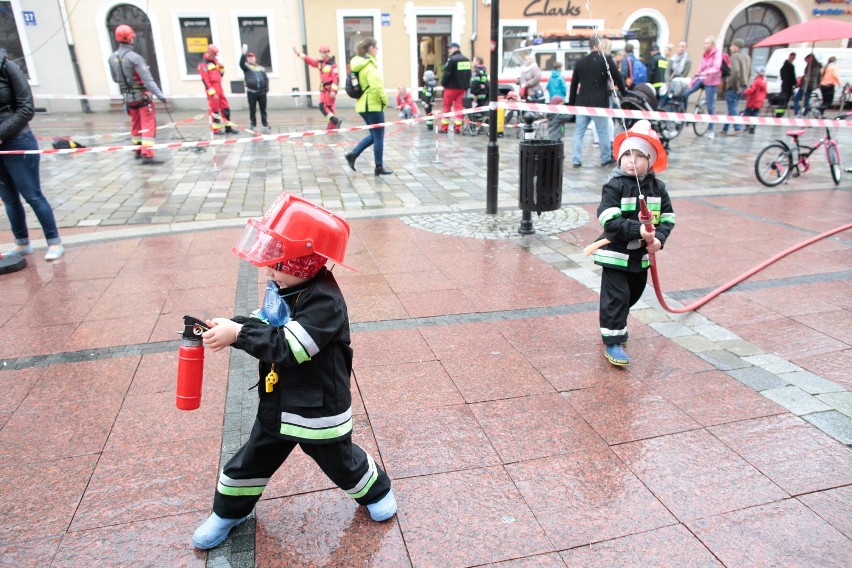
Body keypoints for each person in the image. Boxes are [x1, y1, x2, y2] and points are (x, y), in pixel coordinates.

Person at [191, 192, 396, 550]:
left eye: (278, 264)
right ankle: (227, 512)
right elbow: (266, 321)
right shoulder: (286, 288)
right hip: (278, 403)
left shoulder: (325, 302)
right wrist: (234, 325)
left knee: (340, 461)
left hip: (318, 407)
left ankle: (377, 491)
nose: (269, 271)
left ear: (304, 264)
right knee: (252, 458)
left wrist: (239, 334)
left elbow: (288, 346)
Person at [592, 120, 674, 366]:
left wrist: (658, 239)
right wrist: (637, 228)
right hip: (615, 253)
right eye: (627, 154)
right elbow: (608, 219)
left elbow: (668, 218)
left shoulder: (658, 188)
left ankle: (615, 323)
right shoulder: (614, 185)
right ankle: (613, 341)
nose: (632, 160)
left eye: (640, 156)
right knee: (617, 296)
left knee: (634, 293)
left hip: (641, 257)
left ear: (649, 161)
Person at [0, 49, 64, 261]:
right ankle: (21, 243)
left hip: (18, 140)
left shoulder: (7, 66)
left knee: (32, 195)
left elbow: (26, 108)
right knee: (9, 199)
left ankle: (54, 242)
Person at [108, 24, 166, 165]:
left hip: (128, 98)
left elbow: (115, 79)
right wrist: (160, 96)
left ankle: (138, 151)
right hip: (142, 97)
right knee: (147, 124)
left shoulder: (112, 58)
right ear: (130, 38)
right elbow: (148, 81)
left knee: (135, 124)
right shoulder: (135, 58)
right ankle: (147, 154)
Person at [568, 36, 626, 168]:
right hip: (599, 103)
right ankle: (605, 158)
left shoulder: (580, 62)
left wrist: (571, 104)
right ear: (600, 46)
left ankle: (576, 160)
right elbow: (617, 77)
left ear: (590, 46)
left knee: (578, 133)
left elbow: (573, 85)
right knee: (603, 132)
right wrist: (624, 91)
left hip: (582, 103)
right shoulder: (605, 60)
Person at [343, 37, 392, 175]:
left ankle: (353, 154)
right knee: (379, 136)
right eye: (376, 48)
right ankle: (379, 167)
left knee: (374, 135)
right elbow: (376, 87)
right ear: (371, 48)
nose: (377, 50)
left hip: (362, 106)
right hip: (373, 105)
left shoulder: (357, 63)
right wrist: (384, 101)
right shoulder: (370, 65)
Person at [293, 45, 342, 130]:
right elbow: (310, 61)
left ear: (327, 53)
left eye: (324, 52)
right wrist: (299, 54)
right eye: (321, 52)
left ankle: (334, 123)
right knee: (323, 106)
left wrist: (334, 90)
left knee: (328, 107)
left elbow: (336, 78)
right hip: (324, 89)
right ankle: (334, 122)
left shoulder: (332, 64)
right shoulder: (321, 63)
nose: (322, 54)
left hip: (329, 89)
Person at [683, 35, 723, 139]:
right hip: (702, 79)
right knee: (686, 93)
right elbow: (700, 67)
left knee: (710, 106)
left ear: (712, 45)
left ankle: (711, 129)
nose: (705, 45)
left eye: (707, 43)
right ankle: (684, 116)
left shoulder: (717, 54)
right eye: (704, 43)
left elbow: (716, 67)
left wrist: (705, 72)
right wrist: (696, 77)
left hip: (711, 81)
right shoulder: (705, 54)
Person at [198, 44, 232, 134]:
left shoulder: (215, 61)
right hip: (213, 89)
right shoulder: (203, 64)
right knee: (215, 110)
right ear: (209, 52)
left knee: (225, 107)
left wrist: (222, 67)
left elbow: (221, 74)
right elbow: (205, 81)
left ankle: (228, 127)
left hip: (219, 87)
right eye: (213, 54)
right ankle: (216, 129)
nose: (214, 56)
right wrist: (213, 94)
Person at [440, 42, 471, 134]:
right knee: (459, 107)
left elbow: (447, 73)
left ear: (455, 48)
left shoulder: (451, 59)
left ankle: (444, 128)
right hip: (461, 88)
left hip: (451, 87)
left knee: (447, 106)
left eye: (450, 48)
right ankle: (458, 127)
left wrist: (443, 83)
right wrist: (465, 86)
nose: (449, 50)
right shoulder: (466, 59)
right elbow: (468, 74)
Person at [722, 38, 750, 135]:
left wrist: (735, 86)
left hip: (735, 86)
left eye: (732, 46)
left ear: (736, 47)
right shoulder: (746, 57)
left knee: (732, 106)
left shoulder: (734, 57)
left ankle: (737, 128)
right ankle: (725, 128)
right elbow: (747, 72)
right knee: (732, 107)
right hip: (742, 85)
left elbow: (736, 72)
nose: (730, 48)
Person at [239, 45, 269, 132]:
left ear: (255, 58)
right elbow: (241, 63)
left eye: (252, 57)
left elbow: (266, 78)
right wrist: (243, 54)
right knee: (252, 109)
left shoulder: (261, 68)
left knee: (263, 109)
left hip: (262, 92)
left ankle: (265, 123)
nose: (251, 59)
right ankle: (253, 124)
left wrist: (266, 88)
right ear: (247, 59)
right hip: (251, 92)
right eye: (249, 57)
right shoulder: (246, 67)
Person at [742, 66, 767, 134]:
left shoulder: (756, 81)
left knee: (746, 114)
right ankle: (753, 127)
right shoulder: (764, 81)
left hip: (753, 100)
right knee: (755, 114)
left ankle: (748, 126)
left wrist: (743, 92)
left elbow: (751, 90)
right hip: (759, 101)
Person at [777, 52, 797, 117]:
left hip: (787, 85)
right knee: (783, 101)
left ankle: (780, 114)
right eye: (792, 57)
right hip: (787, 86)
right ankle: (779, 114)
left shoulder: (787, 65)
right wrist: (794, 82)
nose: (793, 59)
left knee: (783, 101)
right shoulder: (788, 66)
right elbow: (791, 76)